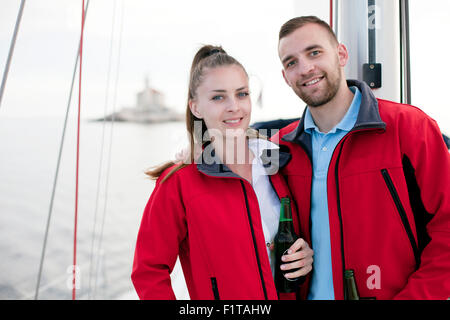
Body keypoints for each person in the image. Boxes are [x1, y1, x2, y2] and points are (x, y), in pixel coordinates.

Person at [273, 16, 450, 300]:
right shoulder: (280, 148)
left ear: (341, 55)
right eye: (291, 62)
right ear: (285, 76)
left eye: (314, 52)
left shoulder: (409, 128)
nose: (305, 68)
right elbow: (225, 164)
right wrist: (194, 152)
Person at [131, 45, 313, 300]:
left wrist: (303, 257)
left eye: (242, 94)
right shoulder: (178, 182)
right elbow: (148, 272)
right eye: (218, 97)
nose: (234, 107)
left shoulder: (276, 162)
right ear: (196, 107)